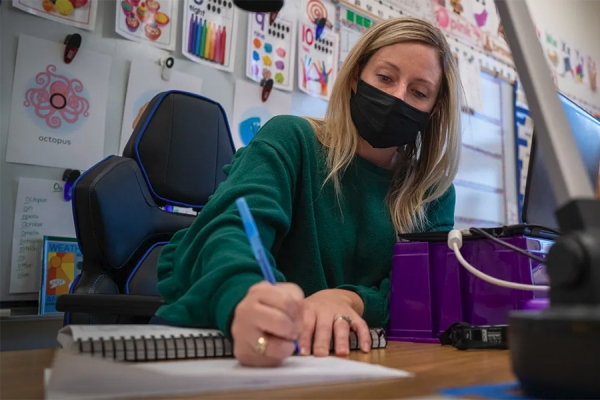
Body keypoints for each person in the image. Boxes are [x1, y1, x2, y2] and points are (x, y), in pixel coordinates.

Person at [154, 16, 462, 367]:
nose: (396, 96)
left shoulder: (432, 192)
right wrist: (243, 297)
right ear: (355, 78)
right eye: (385, 77)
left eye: (419, 92)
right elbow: (228, 232)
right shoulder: (291, 138)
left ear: (434, 109)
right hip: (243, 353)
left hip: (359, 361)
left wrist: (347, 302)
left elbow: (422, 293)